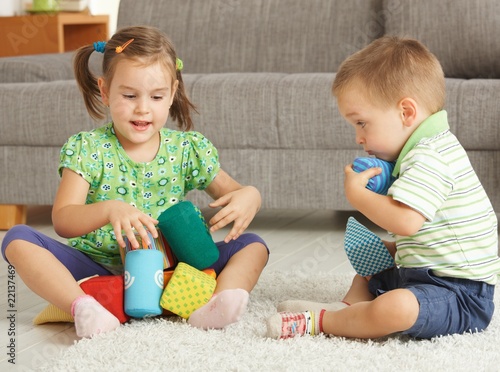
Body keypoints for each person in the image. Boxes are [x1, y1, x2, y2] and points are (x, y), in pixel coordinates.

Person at [2, 26, 269, 338]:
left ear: (172, 93)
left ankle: (216, 302)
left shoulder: (186, 149)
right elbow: (63, 219)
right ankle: (84, 308)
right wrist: (110, 210)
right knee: (16, 238)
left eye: (156, 96)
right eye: (129, 96)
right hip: (101, 266)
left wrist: (250, 195)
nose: (143, 108)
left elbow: (234, 191)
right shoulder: (89, 149)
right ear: (104, 91)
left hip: (174, 270)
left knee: (253, 246)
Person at [266, 36, 500, 340]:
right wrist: (390, 250)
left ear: (406, 113)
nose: (358, 138)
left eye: (362, 123)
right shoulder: (420, 150)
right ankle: (346, 307)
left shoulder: (431, 155)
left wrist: (358, 196)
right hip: (425, 272)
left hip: (460, 294)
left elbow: (406, 222)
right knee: (372, 262)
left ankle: (322, 322)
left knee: (397, 308)